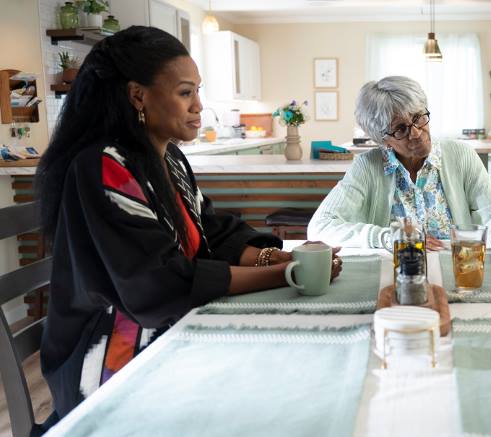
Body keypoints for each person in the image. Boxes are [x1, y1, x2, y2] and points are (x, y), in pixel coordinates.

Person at [35, 26, 342, 418]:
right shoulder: (105, 167)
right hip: (111, 355)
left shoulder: (169, 161)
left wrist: (274, 258)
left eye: (198, 91)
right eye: (185, 93)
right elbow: (158, 285)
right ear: (137, 96)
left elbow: (212, 233)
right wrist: (289, 275)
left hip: (165, 325)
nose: (199, 105)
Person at [308, 76, 491, 261]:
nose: (416, 133)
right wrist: (389, 237)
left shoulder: (461, 155)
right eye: (400, 129)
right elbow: (320, 227)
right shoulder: (367, 167)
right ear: (383, 140)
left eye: (418, 118)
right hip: (396, 273)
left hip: (459, 268)